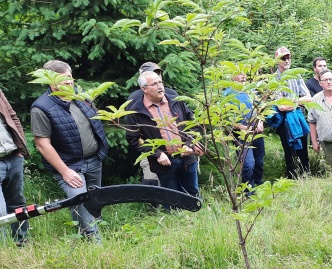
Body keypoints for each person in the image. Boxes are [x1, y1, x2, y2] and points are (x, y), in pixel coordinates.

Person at [31, 60, 108, 241]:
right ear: (50, 80)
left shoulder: (81, 97)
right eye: (63, 79)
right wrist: (65, 171)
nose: (69, 82)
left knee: (95, 199)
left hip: (94, 160)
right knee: (80, 199)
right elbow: (42, 144)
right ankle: (94, 243)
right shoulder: (41, 107)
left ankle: (88, 232)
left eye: (70, 77)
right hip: (70, 165)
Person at [123, 70, 204, 198]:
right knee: (172, 198)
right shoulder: (136, 111)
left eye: (160, 82)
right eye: (154, 84)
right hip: (164, 162)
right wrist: (157, 153)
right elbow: (134, 139)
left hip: (187, 158)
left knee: (192, 195)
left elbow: (193, 125)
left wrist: (189, 144)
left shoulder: (177, 101)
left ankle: (195, 217)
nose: (160, 86)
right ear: (144, 89)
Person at [128, 62, 176, 187]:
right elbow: (133, 133)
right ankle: (154, 206)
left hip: (177, 150)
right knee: (152, 182)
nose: (156, 77)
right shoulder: (133, 99)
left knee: (180, 184)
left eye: (158, 73)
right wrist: (154, 151)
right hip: (150, 150)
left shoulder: (172, 94)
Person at [269, 47, 311, 179]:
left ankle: (306, 174)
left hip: (298, 118)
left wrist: (292, 102)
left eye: (289, 57)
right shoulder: (273, 79)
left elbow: (308, 97)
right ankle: (292, 176)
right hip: (283, 121)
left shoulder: (296, 75)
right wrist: (298, 101)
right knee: (288, 149)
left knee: (303, 146)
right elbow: (281, 107)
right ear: (277, 60)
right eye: (283, 58)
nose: (287, 60)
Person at [0, 88, 29, 245]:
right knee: (0, 211)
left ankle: (22, 244)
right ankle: (4, 252)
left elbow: (12, 117)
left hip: (13, 156)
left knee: (17, 203)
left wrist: (20, 146)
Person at [225, 72, 264, 189]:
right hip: (240, 135)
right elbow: (225, 119)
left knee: (259, 160)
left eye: (245, 74)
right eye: (239, 74)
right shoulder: (227, 94)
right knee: (248, 163)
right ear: (232, 76)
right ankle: (248, 190)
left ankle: (258, 182)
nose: (243, 76)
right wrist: (244, 128)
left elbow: (261, 108)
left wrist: (260, 122)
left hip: (257, 132)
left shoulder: (251, 91)